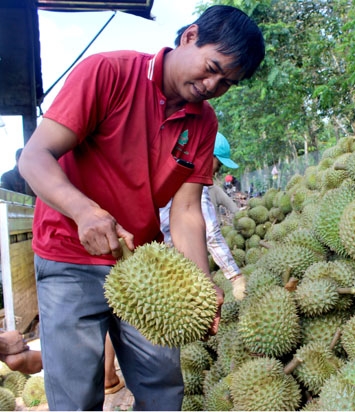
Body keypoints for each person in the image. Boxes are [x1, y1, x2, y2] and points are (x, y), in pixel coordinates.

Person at [18, 5, 264, 411]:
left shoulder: (203, 123)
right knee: (76, 396)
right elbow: (34, 157)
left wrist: (199, 286)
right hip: (68, 256)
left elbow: (187, 212)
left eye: (226, 83)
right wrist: (83, 211)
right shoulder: (109, 73)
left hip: (142, 263)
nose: (212, 84)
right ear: (189, 37)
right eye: (211, 67)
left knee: (164, 389)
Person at [160, 132, 246, 299]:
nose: (216, 172)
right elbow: (211, 234)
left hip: (154, 255)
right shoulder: (196, 185)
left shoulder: (170, 169)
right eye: (218, 165)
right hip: (175, 262)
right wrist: (235, 276)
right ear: (207, 155)